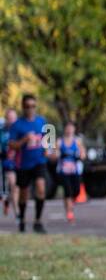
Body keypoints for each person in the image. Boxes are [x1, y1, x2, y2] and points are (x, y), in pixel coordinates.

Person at [8, 95, 52, 233]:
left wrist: (47, 149)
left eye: (33, 106)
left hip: (39, 162)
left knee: (41, 189)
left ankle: (37, 221)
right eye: (27, 106)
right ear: (23, 107)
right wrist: (24, 140)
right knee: (24, 193)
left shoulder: (42, 121)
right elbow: (11, 145)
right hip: (23, 164)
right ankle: (22, 220)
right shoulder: (17, 125)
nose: (30, 109)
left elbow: (49, 140)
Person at [56, 121, 85, 223]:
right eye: (67, 127)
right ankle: (69, 213)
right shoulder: (60, 141)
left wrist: (79, 156)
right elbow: (55, 154)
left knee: (76, 191)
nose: (69, 130)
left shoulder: (77, 141)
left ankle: (70, 205)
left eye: (71, 128)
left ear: (74, 129)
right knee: (67, 191)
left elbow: (83, 154)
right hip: (63, 171)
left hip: (74, 171)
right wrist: (59, 154)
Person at [1, 108, 18, 217]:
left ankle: (16, 211)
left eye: (13, 118)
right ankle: (15, 210)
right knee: (12, 184)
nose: (12, 120)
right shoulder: (2, 131)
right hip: (5, 161)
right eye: (9, 118)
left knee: (15, 186)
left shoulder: (20, 129)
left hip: (19, 161)